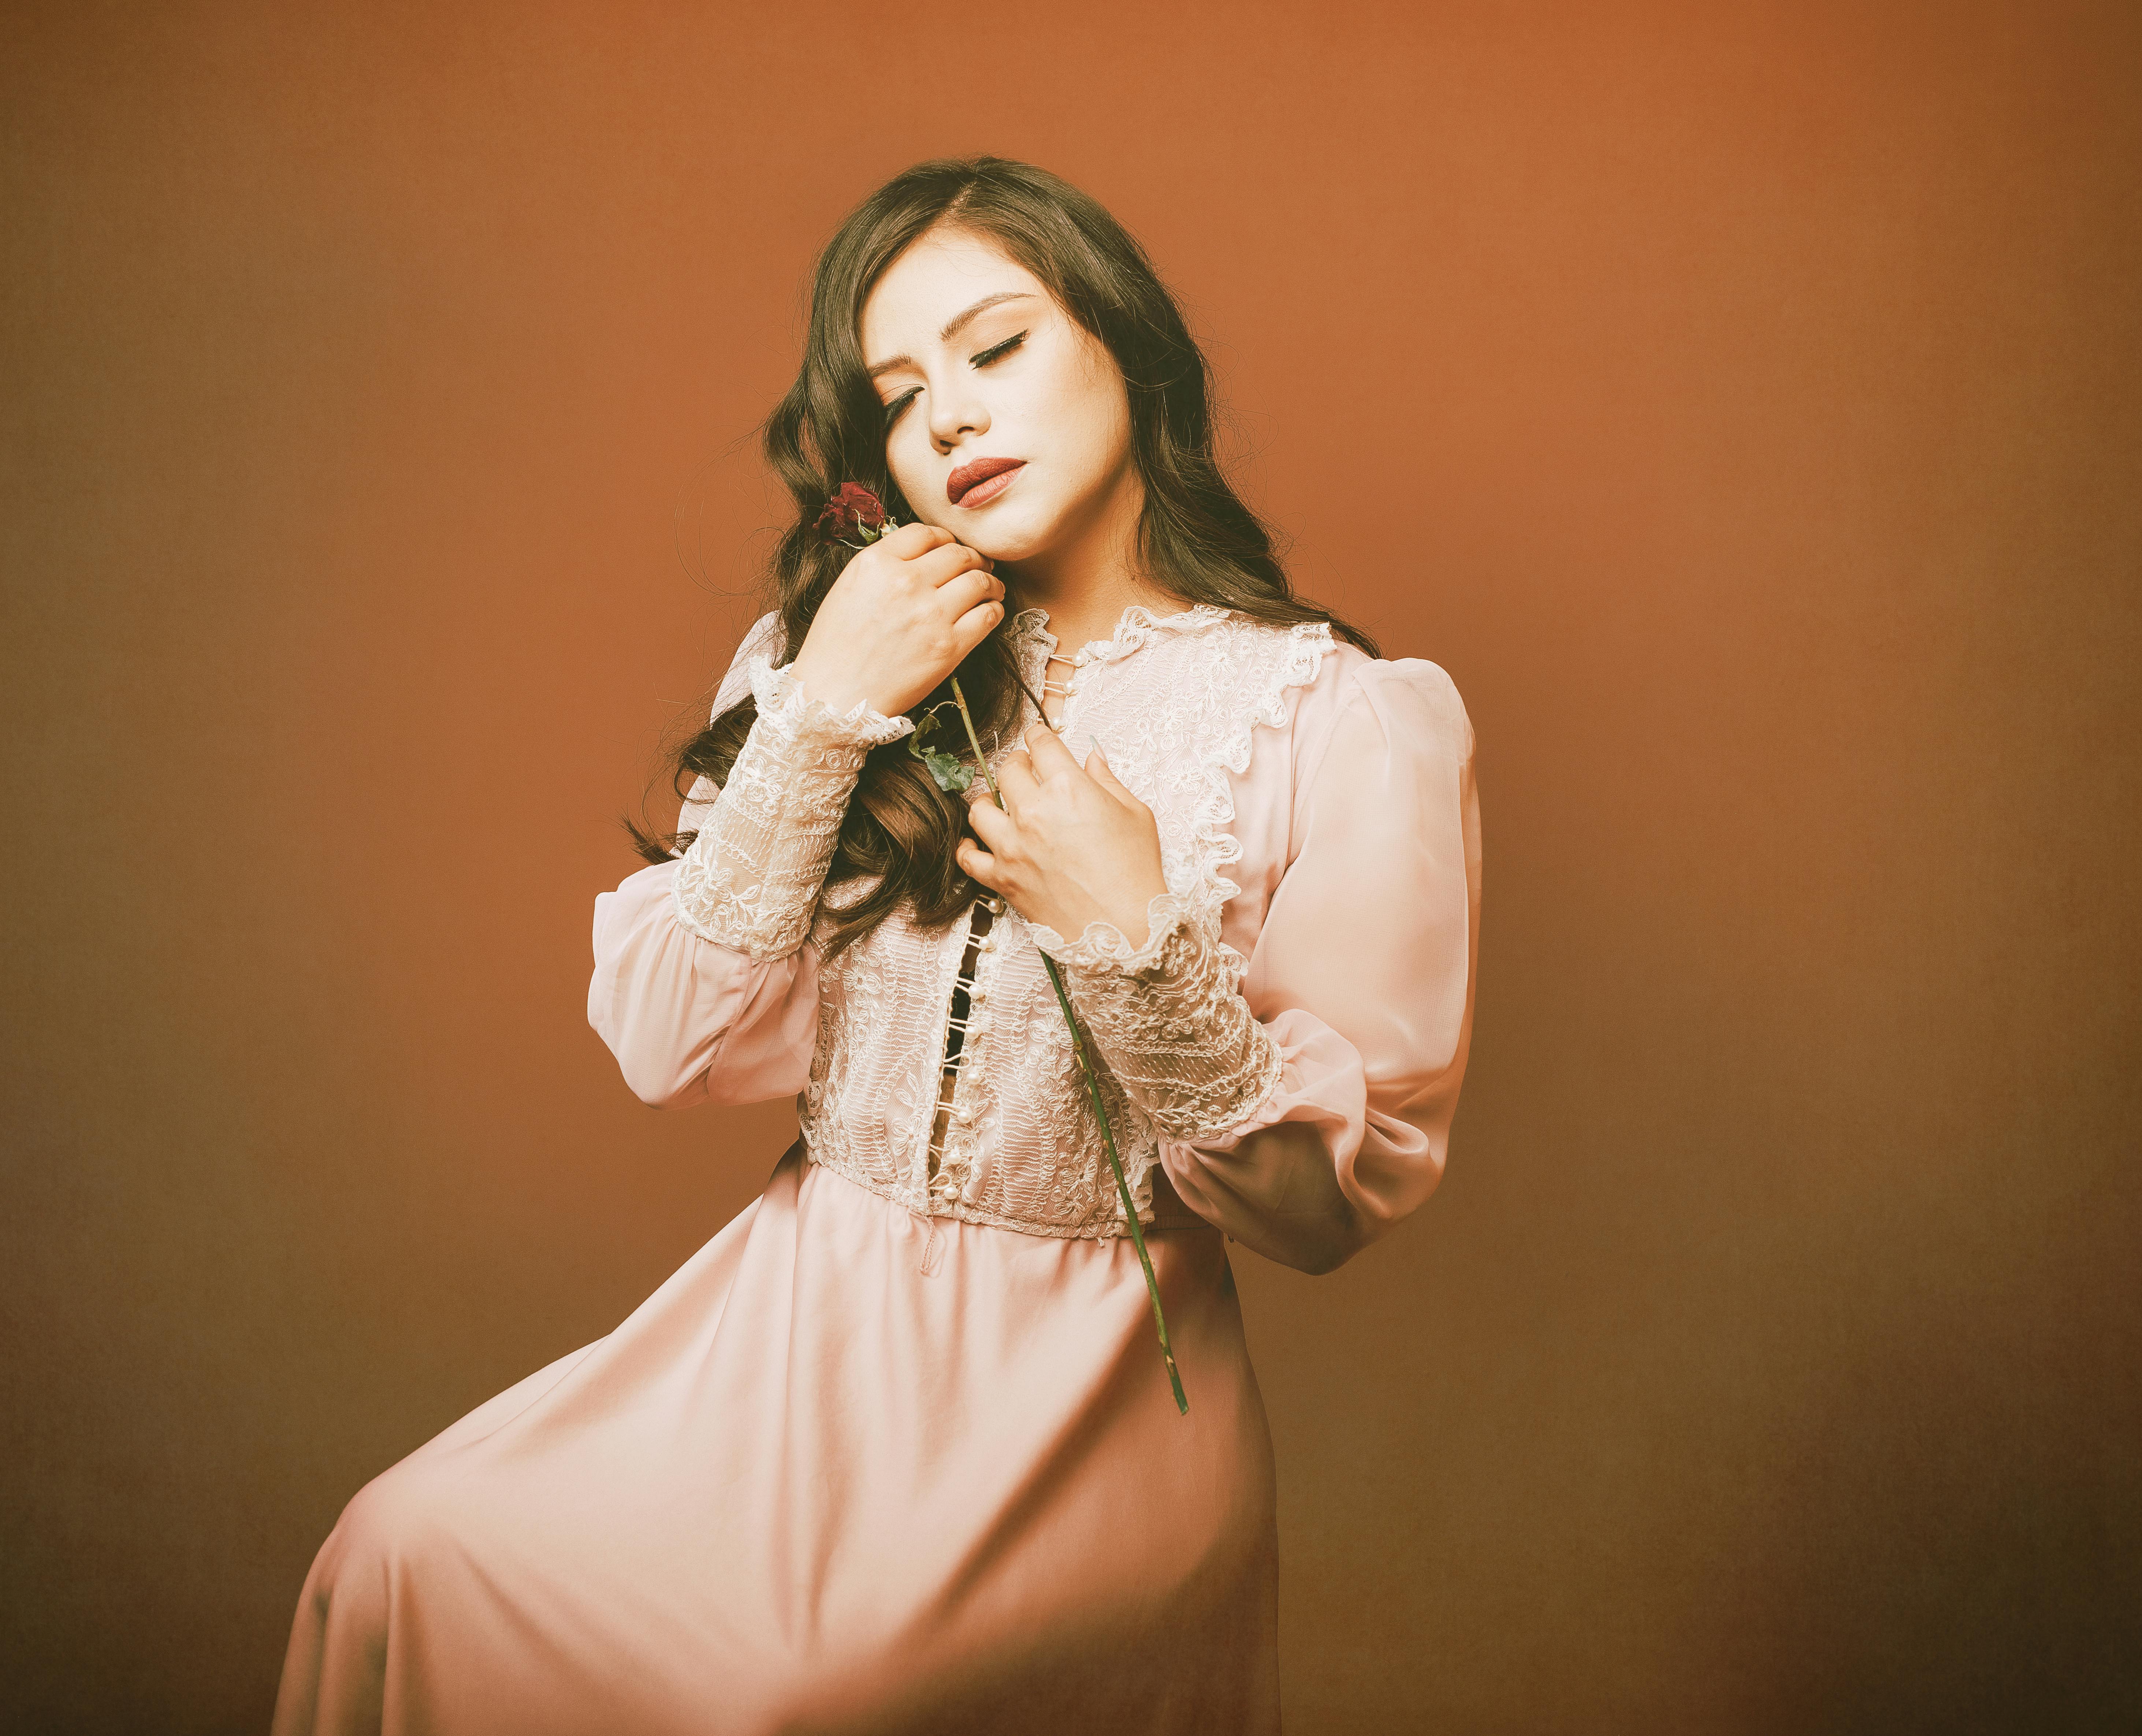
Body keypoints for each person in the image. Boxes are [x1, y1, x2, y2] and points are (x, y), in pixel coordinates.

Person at [269, 153, 1481, 1736]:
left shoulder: (1339, 718)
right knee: (404, 1550)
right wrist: (821, 713)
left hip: (1084, 1410)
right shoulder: (838, 656)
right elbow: (665, 1046)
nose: (952, 420)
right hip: (783, 1348)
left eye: (994, 349)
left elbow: (1322, 1208)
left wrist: (1129, 932)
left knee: (791, 1699)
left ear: (1128, 344)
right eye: (900, 399)